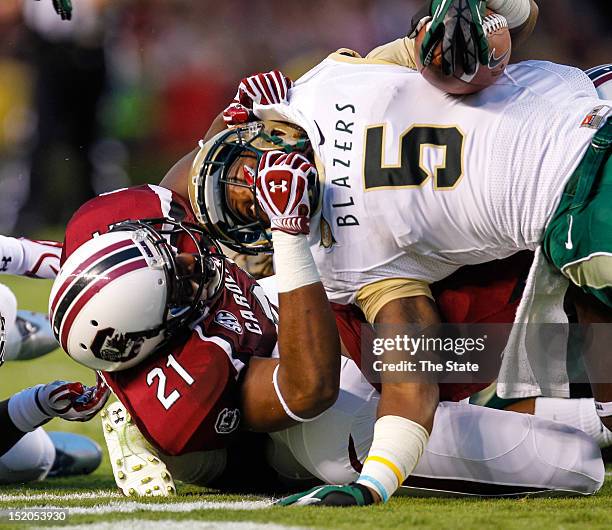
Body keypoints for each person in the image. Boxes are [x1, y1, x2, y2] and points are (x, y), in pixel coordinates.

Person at [183, 32, 612, 506]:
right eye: (252, 205)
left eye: (247, 169)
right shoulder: (336, 259)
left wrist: (467, 25)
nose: (263, 183)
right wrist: (373, 485)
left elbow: (473, 34)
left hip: (586, 102)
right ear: (262, 233)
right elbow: (413, 373)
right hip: (578, 213)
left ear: (255, 133)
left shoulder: (322, 85)